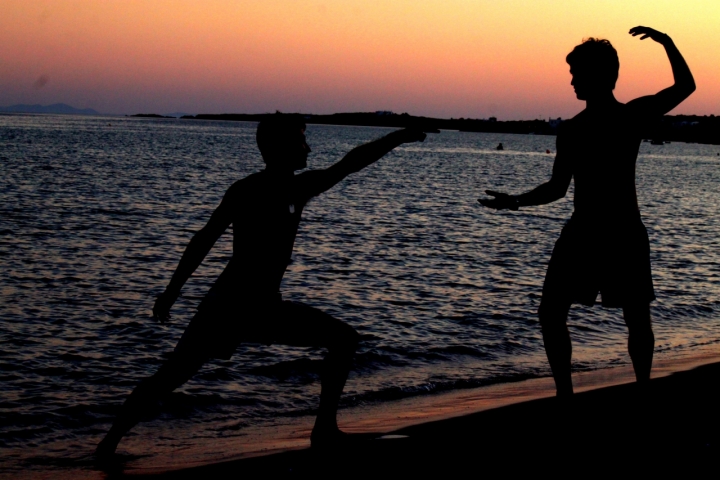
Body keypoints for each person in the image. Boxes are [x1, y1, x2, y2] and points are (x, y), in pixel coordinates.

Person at [96, 115, 432, 456]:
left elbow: (351, 162)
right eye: (301, 141)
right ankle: (108, 443)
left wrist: (396, 139)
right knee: (171, 376)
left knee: (342, 340)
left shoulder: (287, 189)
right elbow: (204, 240)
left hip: (251, 305)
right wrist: (171, 291)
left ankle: (108, 444)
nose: (308, 148)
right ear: (279, 147)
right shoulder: (259, 190)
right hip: (231, 306)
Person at [478, 27, 695, 396]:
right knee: (553, 313)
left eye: (577, 73)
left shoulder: (629, 116)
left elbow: (684, 87)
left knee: (636, 317)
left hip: (620, 231)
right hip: (585, 232)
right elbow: (557, 188)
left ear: (599, 76)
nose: (572, 81)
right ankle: (567, 394)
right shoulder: (576, 130)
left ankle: (639, 390)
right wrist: (515, 201)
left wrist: (667, 43)